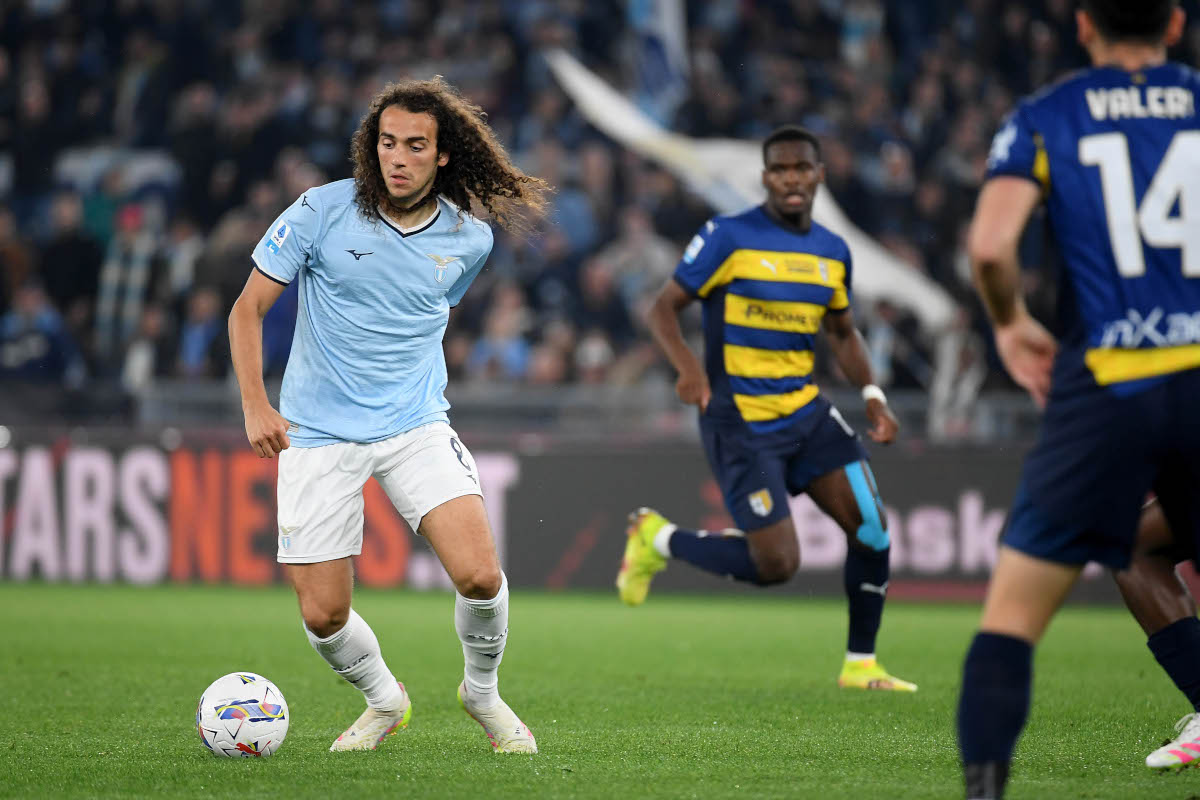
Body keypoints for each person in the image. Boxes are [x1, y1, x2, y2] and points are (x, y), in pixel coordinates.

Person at [228, 77, 548, 754]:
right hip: (316, 432)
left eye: (414, 146)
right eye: (386, 143)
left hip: (415, 426)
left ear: (442, 157)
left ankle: (482, 695)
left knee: (482, 576)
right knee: (323, 614)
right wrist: (257, 403)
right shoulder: (319, 210)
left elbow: (423, 310)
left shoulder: (470, 240)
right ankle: (384, 700)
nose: (395, 158)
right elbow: (246, 309)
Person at [957, 2, 1200, 796]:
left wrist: (1009, 324)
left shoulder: (1046, 115)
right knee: (1139, 543)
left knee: (1012, 620)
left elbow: (992, 246)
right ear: (1173, 22)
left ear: (1084, 24)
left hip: (1112, 380)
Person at [618, 125, 917, 693]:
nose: (791, 180)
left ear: (819, 175)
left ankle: (861, 664)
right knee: (778, 565)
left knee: (873, 531)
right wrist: (687, 366)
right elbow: (662, 309)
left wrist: (874, 397)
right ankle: (656, 538)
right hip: (740, 421)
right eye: (779, 170)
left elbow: (844, 333)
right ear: (765, 178)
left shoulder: (833, 251)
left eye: (802, 169)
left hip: (806, 413)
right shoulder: (728, 237)